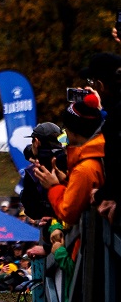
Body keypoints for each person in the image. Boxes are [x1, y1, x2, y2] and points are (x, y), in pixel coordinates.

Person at [33, 95, 105, 225]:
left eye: (66, 128)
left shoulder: (84, 169)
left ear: (74, 131)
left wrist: (53, 187)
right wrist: (64, 182)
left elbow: (68, 212)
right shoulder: (96, 155)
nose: (64, 132)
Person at [79, 53, 120, 226]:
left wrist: (104, 195)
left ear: (100, 85)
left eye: (92, 82)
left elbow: (116, 161)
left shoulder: (116, 118)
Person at [19, 122, 63, 222]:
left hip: (47, 223)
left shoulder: (34, 169)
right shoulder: (68, 157)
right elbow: (29, 150)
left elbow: (30, 208)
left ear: (37, 142)